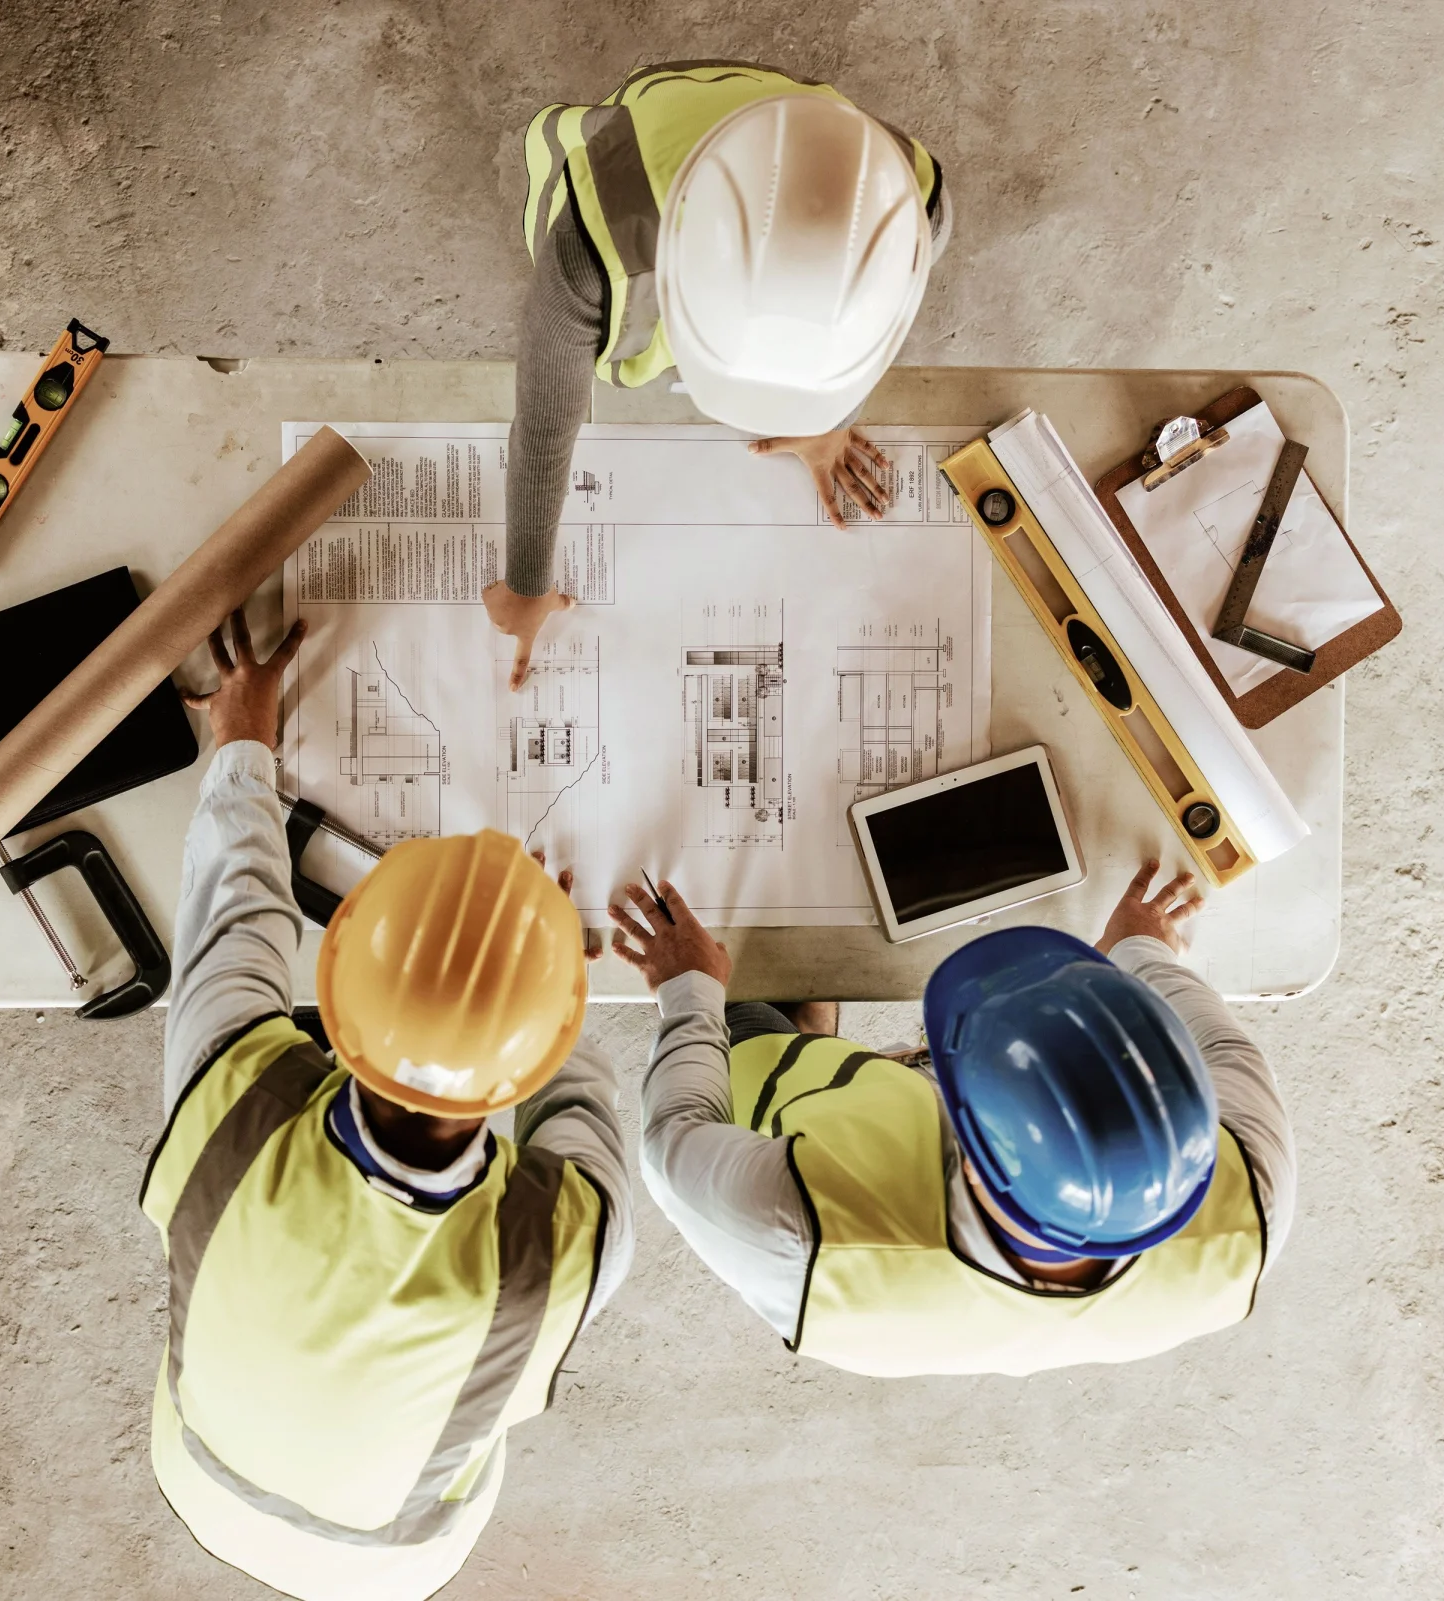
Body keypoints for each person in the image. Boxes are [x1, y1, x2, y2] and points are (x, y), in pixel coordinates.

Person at [146, 608, 633, 1601]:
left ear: (337, 982)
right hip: (389, 1559)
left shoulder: (230, 1096)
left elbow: (235, 904)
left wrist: (243, 733)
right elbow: (572, 1091)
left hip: (198, 1465)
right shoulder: (556, 1250)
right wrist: (533, 971)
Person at [609, 863, 1294, 1378]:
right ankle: (816, 1029)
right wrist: (1139, 951)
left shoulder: (804, 1231)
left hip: (831, 1159)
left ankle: (801, 1037)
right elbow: (1227, 1051)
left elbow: (674, 1137)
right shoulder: (1253, 1200)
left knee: (760, 1031)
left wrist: (689, 987)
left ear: (967, 1149)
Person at [485, 61, 953, 687]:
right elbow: (544, 434)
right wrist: (526, 581)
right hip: (643, 136)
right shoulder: (590, 251)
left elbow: (867, 323)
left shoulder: (908, 204)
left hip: (776, 129)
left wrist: (828, 423)